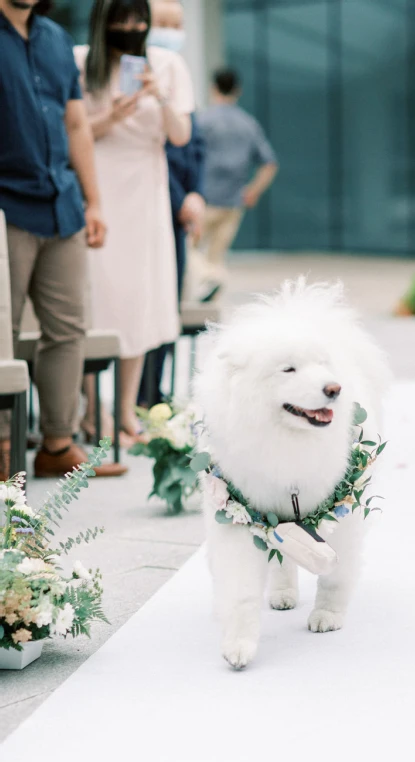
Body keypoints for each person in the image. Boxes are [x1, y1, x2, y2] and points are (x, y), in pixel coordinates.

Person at [0, 0, 125, 479]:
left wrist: (93, 202)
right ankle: (3, 446)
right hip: (7, 207)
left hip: (63, 207)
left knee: (68, 330)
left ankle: (57, 444)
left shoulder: (53, 38)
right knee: (1, 332)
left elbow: (76, 124)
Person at [75, 0, 194, 444]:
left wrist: (157, 95)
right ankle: (91, 411)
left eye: (137, 19)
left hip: (145, 188)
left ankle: (126, 411)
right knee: (94, 299)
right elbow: (75, 131)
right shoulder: (79, 62)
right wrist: (114, 114)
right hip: (99, 185)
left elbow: (180, 135)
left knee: (142, 296)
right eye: (121, 19)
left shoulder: (168, 64)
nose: (131, 27)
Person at [138, 0, 205, 406]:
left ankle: (153, 394)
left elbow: (193, 144)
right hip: (147, 208)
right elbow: (148, 152)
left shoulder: (178, 74)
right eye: (162, 23)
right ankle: (139, 398)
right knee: (144, 304)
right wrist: (180, 199)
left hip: (178, 215)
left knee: (169, 305)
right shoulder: (137, 76)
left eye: (176, 24)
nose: (170, 31)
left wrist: (195, 193)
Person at [195, 68, 278, 302]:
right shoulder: (248, 124)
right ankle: (211, 289)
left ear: (213, 88)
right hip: (233, 202)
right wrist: (253, 191)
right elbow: (269, 164)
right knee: (216, 256)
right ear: (237, 90)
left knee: (188, 250)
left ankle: (210, 280)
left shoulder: (203, 120)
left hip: (205, 199)